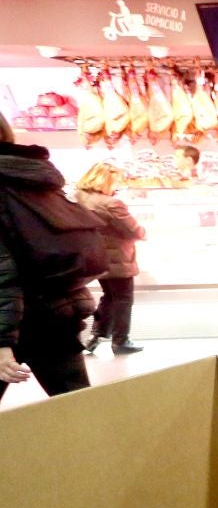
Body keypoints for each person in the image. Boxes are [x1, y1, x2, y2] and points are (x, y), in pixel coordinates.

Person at [0, 111, 108, 402]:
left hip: (13, 320)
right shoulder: (34, 177)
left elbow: (3, 273)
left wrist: (2, 341)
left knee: (78, 409)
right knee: (79, 410)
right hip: (58, 315)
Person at [76, 161, 148, 355]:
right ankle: (121, 341)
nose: (117, 186)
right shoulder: (112, 204)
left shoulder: (79, 197)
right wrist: (143, 232)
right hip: (118, 258)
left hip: (95, 256)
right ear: (107, 180)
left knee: (109, 297)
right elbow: (134, 230)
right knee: (124, 298)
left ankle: (96, 336)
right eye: (115, 181)